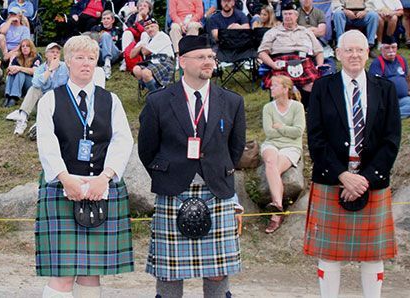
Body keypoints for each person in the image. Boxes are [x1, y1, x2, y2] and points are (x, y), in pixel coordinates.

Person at [138, 34, 245, 297]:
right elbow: (147, 150)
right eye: (201, 57)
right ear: (182, 61)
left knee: (218, 270)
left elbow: (236, 148)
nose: (208, 61)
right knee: (170, 271)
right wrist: (168, 175)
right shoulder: (159, 101)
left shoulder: (231, 101)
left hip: (216, 190)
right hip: (174, 189)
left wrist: (218, 173)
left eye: (211, 56)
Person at [35, 34, 134, 298]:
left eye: (91, 58)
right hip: (61, 189)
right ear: (67, 61)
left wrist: (106, 177)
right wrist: (65, 178)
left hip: (101, 187)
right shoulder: (50, 100)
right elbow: (46, 143)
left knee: (91, 273)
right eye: (79, 57)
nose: (86, 63)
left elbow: (122, 140)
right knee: (63, 275)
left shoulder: (111, 100)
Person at [305, 29, 401, 298]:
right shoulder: (323, 88)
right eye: (348, 50)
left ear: (368, 52)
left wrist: (365, 178)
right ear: (338, 54)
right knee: (329, 254)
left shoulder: (386, 89)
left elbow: (392, 140)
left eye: (359, 49)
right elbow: (316, 138)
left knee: (373, 255)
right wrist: (342, 175)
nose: (354, 55)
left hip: (372, 179)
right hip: (331, 177)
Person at [261, 75, 305, 234]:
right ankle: (278, 207)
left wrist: (280, 127)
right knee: (271, 162)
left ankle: (276, 213)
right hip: (271, 144)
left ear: (285, 88)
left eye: (274, 85)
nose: (271, 88)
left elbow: (299, 132)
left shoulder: (297, 107)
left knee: (274, 168)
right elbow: (268, 133)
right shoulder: (268, 108)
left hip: (291, 147)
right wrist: (286, 130)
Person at [258, 3, 325, 108]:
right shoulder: (273, 32)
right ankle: (284, 110)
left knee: (314, 85)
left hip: (304, 62)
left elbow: (319, 51)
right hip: (281, 63)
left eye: (290, 14)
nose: (288, 16)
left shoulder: (306, 32)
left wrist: (319, 66)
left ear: (296, 16)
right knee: (282, 86)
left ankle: (308, 109)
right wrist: (273, 65)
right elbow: (262, 52)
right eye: (285, 14)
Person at [368, 35, 410, 118]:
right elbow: (374, 86)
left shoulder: (402, 60)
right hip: (387, 100)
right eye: (387, 48)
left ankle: (391, 115)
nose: (391, 50)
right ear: (381, 49)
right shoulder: (377, 63)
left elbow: (406, 78)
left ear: (397, 48)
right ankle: (392, 115)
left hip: (403, 99)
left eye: (393, 47)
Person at [131, 18, 174, 92]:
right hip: (151, 62)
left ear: (157, 27)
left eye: (152, 26)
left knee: (145, 72)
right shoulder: (146, 38)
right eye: (147, 28)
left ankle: (155, 95)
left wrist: (141, 47)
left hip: (165, 61)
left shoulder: (162, 36)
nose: (150, 29)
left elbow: (145, 52)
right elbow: (131, 55)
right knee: (136, 69)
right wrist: (141, 46)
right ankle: (154, 90)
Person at [3, 39, 42, 107]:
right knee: (11, 73)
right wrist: (10, 69)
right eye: (23, 46)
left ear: (31, 48)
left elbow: (34, 71)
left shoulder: (36, 57)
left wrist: (19, 68)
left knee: (20, 73)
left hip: (31, 85)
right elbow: (8, 70)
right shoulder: (17, 57)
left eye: (27, 46)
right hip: (19, 84)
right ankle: (7, 96)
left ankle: (14, 97)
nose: (25, 48)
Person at [91, 10, 122, 79]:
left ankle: (107, 66)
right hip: (100, 54)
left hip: (114, 53)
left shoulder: (118, 30)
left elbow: (120, 48)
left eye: (108, 18)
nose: (105, 20)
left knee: (105, 35)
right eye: (104, 19)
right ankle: (98, 66)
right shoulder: (96, 29)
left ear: (113, 20)